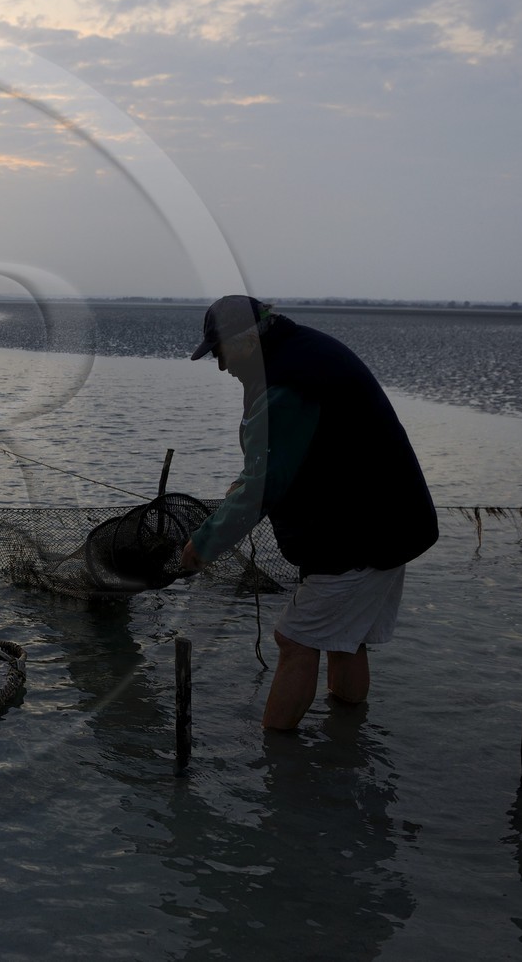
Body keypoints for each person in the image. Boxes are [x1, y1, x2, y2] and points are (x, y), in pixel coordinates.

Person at [178, 295, 438, 730]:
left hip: (362, 536)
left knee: (294, 640)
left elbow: (263, 487)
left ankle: (276, 766)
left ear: (242, 342)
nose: (221, 366)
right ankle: (345, 743)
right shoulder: (299, 351)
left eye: (219, 353)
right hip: (390, 523)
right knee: (345, 640)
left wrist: (203, 546)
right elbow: (284, 459)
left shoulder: (290, 381)